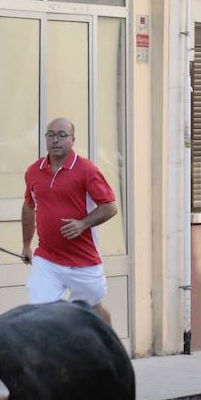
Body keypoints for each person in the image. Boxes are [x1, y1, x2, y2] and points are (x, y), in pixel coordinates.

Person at [22, 118, 120, 324]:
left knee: (93, 312)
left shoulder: (86, 170)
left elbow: (110, 207)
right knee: (39, 313)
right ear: (46, 139)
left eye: (62, 135)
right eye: (51, 135)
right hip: (47, 258)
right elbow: (29, 206)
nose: (56, 140)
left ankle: (108, 349)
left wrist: (82, 224)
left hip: (82, 259)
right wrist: (26, 245)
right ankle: (49, 356)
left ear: (73, 140)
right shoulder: (33, 171)